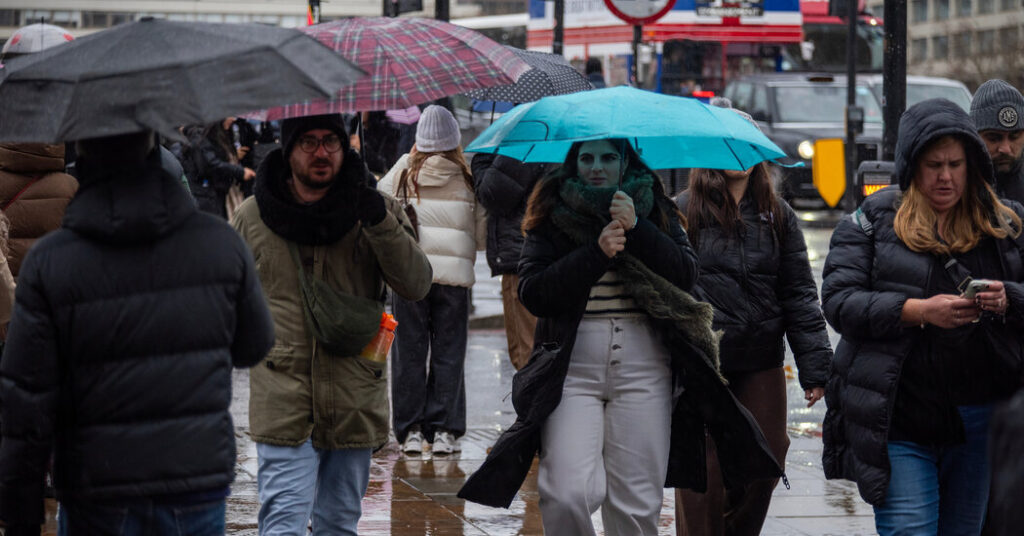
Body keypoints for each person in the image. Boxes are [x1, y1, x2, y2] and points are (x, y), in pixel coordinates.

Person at [457, 138, 783, 535]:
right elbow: (534, 292)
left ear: (625, 162)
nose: (597, 167)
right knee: (567, 492)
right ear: (574, 163)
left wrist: (638, 228)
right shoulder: (552, 211)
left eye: (608, 157)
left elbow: (685, 274)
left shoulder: (655, 207)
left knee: (636, 503)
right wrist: (596, 253)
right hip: (573, 369)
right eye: (587, 158)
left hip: (644, 367)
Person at [0, 129, 275, 535]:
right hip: (193, 475)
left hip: (96, 482)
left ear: (84, 161)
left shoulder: (50, 261)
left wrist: (21, 511)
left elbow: (27, 398)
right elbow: (253, 345)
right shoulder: (219, 244)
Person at [821, 98, 1024, 535]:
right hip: (901, 419)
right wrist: (917, 312)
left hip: (978, 419)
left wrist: (1007, 298)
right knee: (909, 528)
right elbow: (839, 301)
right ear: (912, 166)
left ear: (972, 165)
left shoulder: (1005, 224)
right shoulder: (873, 220)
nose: (945, 176)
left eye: (955, 164)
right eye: (934, 165)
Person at [231, 113, 431, 535]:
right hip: (283, 400)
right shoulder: (253, 217)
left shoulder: (374, 208)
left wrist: (379, 221)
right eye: (308, 141)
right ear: (288, 150)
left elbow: (416, 283)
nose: (321, 152)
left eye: (331, 141)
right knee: (282, 524)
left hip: (353, 398)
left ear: (345, 146)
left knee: (338, 524)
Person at [674, 151, 831, 532]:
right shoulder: (683, 209)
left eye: (745, 146)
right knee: (702, 469)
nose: (737, 155)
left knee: (768, 456)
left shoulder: (777, 214)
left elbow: (799, 293)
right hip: (701, 360)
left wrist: (815, 368)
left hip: (760, 357)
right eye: (727, 146)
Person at [378, 105, 486, 455]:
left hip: (410, 278)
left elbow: (380, 206)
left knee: (408, 353)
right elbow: (481, 236)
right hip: (454, 281)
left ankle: (409, 430)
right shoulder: (468, 176)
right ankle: (444, 431)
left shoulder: (404, 172)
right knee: (449, 353)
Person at [471, 152, 546, 370]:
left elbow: (493, 193)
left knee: (527, 354)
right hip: (548, 253)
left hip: (522, 256)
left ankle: (533, 392)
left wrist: (482, 161)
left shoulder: (523, 145)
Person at [971, 79, 1024, 205]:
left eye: (1014, 137)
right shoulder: (958, 184)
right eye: (994, 138)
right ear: (975, 137)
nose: (1005, 149)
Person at [191, 118, 256, 220]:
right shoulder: (202, 137)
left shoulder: (224, 134)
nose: (233, 119)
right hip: (214, 192)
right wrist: (240, 172)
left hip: (230, 189)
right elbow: (212, 164)